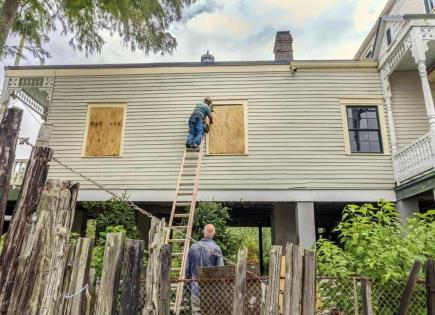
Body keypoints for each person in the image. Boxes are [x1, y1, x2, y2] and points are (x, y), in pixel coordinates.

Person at [185, 224, 224, 314]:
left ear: (203, 232)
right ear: (214, 233)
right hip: (212, 288)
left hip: (195, 287)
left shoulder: (193, 247)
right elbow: (221, 270)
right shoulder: (217, 249)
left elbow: (187, 268)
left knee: (196, 311)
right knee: (211, 311)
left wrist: (189, 281)